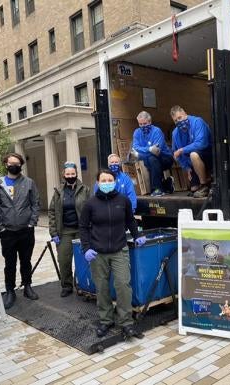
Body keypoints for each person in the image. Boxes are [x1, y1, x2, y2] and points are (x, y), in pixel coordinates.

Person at [79, 169, 146, 338]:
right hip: (97, 253)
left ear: (115, 182)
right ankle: (106, 320)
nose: (107, 182)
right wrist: (86, 248)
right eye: (104, 180)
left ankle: (126, 322)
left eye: (110, 180)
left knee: (123, 285)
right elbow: (83, 227)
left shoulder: (123, 201)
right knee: (101, 287)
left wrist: (137, 235)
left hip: (119, 250)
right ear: (98, 183)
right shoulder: (90, 204)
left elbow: (130, 220)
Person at [0, 152, 40, 309]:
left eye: (17, 164)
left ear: (21, 165)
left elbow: (35, 203)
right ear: (6, 164)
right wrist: (0, 228)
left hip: (26, 230)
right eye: (11, 163)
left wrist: (32, 222)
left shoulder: (29, 183)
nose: (14, 166)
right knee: (9, 263)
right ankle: (10, 290)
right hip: (8, 232)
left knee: (26, 261)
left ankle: (27, 286)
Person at [48, 161, 90, 297]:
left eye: (73, 173)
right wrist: (53, 232)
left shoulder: (85, 189)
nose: (70, 175)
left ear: (76, 174)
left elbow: (92, 209)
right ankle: (66, 285)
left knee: (83, 260)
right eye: (68, 174)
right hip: (64, 231)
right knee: (64, 260)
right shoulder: (58, 191)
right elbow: (52, 212)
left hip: (81, 230)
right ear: (63, 175)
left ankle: (83, 284)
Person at [170, 105, 212, 198]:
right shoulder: (175, 133)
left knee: (193, 154)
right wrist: (187, 168)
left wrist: (182, 150)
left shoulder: (197, 122)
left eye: (180, 117)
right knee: (193, 189)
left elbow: (202, 143)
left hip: (208, 156)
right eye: (176, 120)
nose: (179, 121)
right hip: (193, 163)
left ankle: (204, 185)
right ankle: (201, 184)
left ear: (185, 113)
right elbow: (177, 154)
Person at [132, 111, 174, 196]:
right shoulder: (137, 132)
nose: (143, 126)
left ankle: (157, 189)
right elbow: (135, 147)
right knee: (150, 159)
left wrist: (140, 155)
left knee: (152, 158)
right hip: (150, 159)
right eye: (140, 124)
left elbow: (157, 151)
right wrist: (149, 149)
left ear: (150, 122)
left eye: (145, 123)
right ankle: (166, 184)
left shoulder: (157, 131)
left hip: (165, 158)